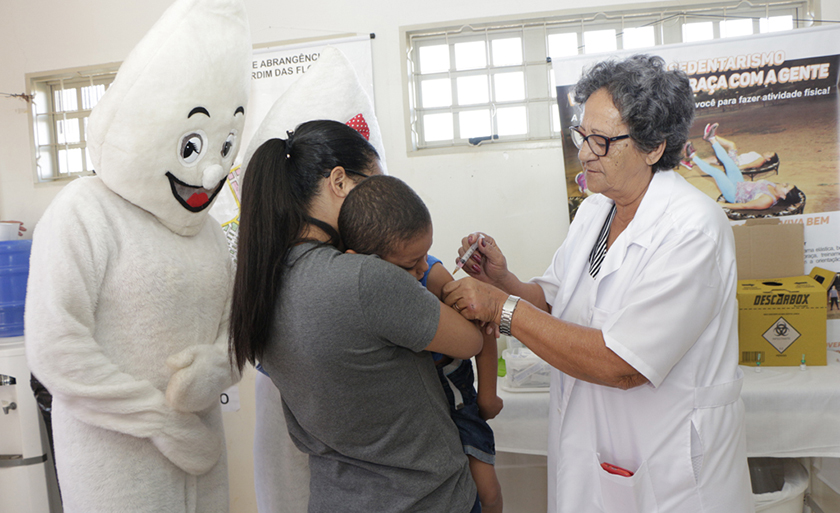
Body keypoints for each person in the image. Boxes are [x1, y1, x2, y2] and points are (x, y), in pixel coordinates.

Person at [441, 55, 754, 512]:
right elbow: (554, 301)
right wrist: (502, 280)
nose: (585, 153)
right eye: (582, 136)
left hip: (670, 468)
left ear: (653, 147)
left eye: (602, 141)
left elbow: (623, 364)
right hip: (598, 449)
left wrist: (501, 309)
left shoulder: (692, 229)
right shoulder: (595, 210)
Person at [230, 119, 483, 513]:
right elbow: (470, 340)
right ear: (340, 182)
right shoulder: (364, 279)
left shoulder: (259, 286)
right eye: (375, 183)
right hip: (424, 498)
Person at [338, 175, 504, 513]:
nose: (419, 270)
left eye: (424, 256)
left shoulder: (432, 275)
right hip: (410, 419)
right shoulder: (355, 291)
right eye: (407, 265)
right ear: (359, 261)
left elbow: (484, 328)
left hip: (454, 396)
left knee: (486, 490)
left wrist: (488, 395)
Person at [683, 132, 800, 210]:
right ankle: (712, 139)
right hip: (739, 183)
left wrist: (723, 205)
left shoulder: (767, 200)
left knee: (718, 173)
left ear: (783, 196)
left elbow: (744, 206)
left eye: (785, 186)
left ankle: (693, 156)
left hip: (733, 194)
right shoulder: (774, 186)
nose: (784, 183)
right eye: (786, 183)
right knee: (729, 162)